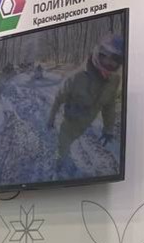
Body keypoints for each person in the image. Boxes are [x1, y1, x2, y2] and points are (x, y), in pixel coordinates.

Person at [46, 33, 125, 170]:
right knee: (63, 144)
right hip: (69, 122)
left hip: (86, 123)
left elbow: (109, 105)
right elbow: (59, 98)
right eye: (105, 57)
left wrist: (108, 128)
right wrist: (51, 119)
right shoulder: (76, 77)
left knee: (71, 141)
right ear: (98, 53)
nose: (109, 64)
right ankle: (60, 160)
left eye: (115, 61)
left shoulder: (114, 80)